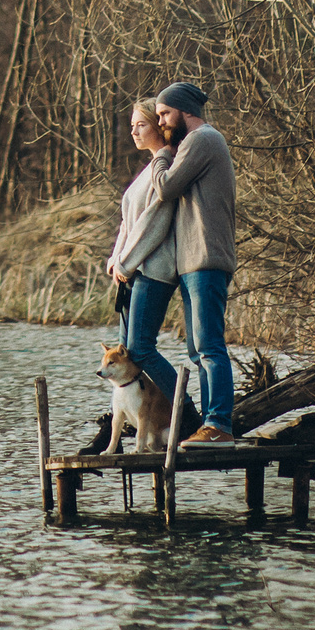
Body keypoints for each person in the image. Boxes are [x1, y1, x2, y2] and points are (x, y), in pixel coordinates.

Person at [114, 81, 240, 443]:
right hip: (190, 262)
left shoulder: (204, 139)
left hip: (206, 258)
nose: (162, 121)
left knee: (209, 346)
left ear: (186, 111)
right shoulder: (192, 143)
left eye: (165, 114)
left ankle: (217, 425)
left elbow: (166, 187)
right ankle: (204, 422)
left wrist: (161, 156)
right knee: (197, 348)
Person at [105, 99, 180, 437]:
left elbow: (154, 223)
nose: (134, 130)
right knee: (125, 360)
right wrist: (116, 258)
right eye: (133, 125)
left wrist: (126, 261)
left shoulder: (164, 167)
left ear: (157, 126)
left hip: (154, 270)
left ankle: (184, 413)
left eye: (141, 124)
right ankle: (118, 429)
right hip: (133, 272)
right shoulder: (146, 170)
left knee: (140, 349)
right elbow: (127, 223)